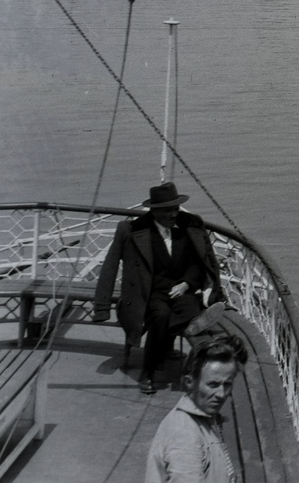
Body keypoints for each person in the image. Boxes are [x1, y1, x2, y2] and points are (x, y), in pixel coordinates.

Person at [93, 182, 226, 395]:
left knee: (188, 306)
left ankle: (191, 324)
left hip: (180, 289)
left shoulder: (188, 227)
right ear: (154, 211)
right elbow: (109, 267)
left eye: (176, 208)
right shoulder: (132, 230)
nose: (174, 214)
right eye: (167, 210)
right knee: (161, 315)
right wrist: (101, 308)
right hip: (149, 293)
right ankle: (148, 372)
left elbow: (197, 263)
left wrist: (186, 284)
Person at [145, 333, 249, 483]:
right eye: (212, 385)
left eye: (227, 384)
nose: (221, 394)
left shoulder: (203, 417)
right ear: (189, 382)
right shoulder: (184, 435)